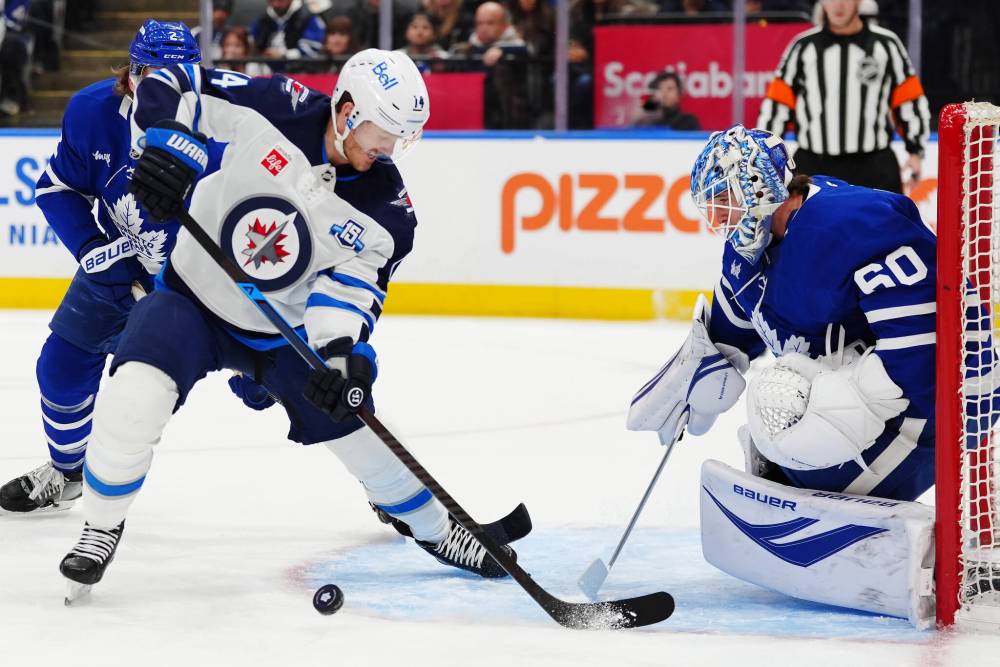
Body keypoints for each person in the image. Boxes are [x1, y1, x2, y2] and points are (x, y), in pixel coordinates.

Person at [57, 49, 520, 597]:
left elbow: (345, 296)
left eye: (401, 139)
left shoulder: (388, 214)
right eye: (382, 134)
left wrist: (342, 359)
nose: (388, 150)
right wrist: (166, 142)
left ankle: (441, 532)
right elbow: (174, 82)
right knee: (134, 396)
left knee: (361, 433)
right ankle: (101, 527)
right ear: (347, 110)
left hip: (284, 334)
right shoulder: (278, 106)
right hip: (189, 301)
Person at [624, 125, 994, 623]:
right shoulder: (751, 247)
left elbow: (925, 352)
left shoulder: (853, 223)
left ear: (760, 187)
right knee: (776, 413)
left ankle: (849, 508)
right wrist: (696, 368)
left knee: (783, 399)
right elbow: (733, 328)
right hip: (886, 396)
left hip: (937, 407)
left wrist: (845, 403)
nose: (719, 217)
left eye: (726, 200)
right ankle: (815, 483)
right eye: (712, 206)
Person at [0, 20, 204, 515]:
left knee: (292, 384)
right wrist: (92, 247)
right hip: (117, 263)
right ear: (131, 75)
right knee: (60, 369)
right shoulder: (92, 111)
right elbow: (57, 187)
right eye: (153, 75)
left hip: (203, 284)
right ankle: (68, 472)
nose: (166, 89)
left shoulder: (228, 129)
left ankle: (383, 488)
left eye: (178, 77)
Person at [756, 0, 930, 193]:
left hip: (874, 167)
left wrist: (916, 152)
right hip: (814, 167)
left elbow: (910, 101)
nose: (838, 5)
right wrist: (765, 156)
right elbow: (777, 107)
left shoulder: (886, 45)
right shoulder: (802, 47)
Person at [451, 2, 530, 129]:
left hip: (510, 116)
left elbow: (526, 51)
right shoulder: (469, 48)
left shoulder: (517, 46)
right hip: (473, 112)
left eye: (490, 23)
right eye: (480, 23)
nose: (484, 28)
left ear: (504, 25)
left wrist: (502, 50)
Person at [251, 0, 326, 67]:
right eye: (271, 1)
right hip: (267, 70)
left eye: (280, 0)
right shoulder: (262, 20)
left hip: (301, 70)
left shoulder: (308, 17)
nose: (275, 5)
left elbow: (313, 49)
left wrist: (284, 55)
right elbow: (253, 45)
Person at [632, 71, 700, 130]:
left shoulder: (688, 121)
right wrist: (648, 107)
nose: (664, 93)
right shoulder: (646, 121)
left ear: (679, 94)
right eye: (659, 89)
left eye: (669, 89)